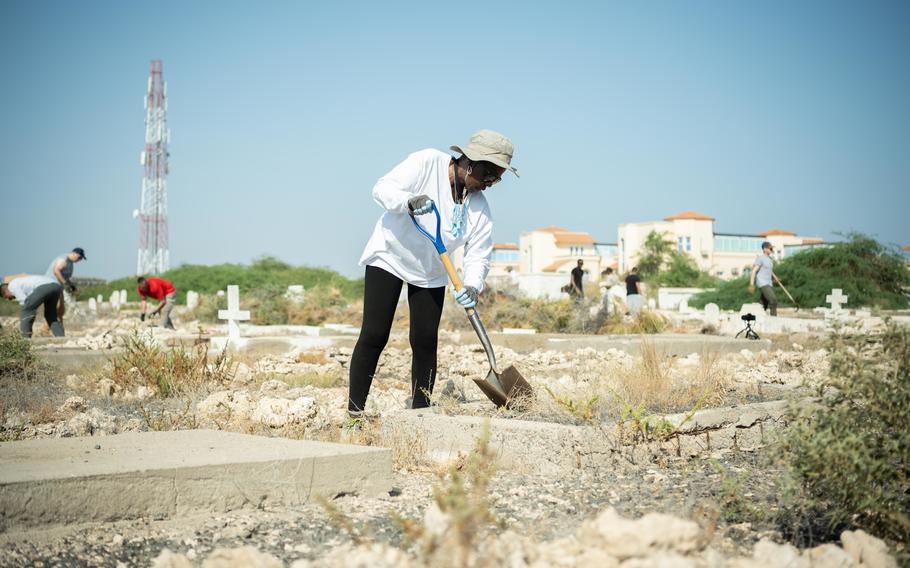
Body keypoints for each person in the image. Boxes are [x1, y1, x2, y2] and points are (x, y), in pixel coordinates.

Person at [348, 129, 518, 420]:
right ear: (470, 161)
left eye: (497, 179)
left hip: (430, 269)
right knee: (375, 334)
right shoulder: (427, 162)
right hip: (390, 254)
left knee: (425, 340)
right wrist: (408, 201)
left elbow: (479, 253)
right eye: (489, 175)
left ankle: (421, 416)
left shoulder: (478, 207)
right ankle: (354, 415)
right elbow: (382, 188)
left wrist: (474, 286)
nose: (490, 184)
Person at [1, 274, 65, 337]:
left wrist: (23, 317)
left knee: (26, 309)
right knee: (50, 316)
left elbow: (24, 302)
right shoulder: (22, 283)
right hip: (56, 286)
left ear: (5, 292)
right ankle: (61, 338)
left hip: (45, 286)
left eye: (7, 297)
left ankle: (25, 340)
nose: (9, 299)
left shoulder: (12, 286)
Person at [45, 247, 86, 317]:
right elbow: (56, 271)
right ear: (74, 253)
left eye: (81, 259)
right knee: (57, 307)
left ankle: (53, 326)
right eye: (79, 257)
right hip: (51, 285)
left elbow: (66, 278)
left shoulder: (70, 263)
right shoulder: (64, 259)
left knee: (60, 309)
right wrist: (65, 284)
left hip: (58, 287)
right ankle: (47, 326)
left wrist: (73, 287)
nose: (80, 260)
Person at [749, 241, 779, 316]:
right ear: (765, 249)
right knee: (773, 300)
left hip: (769, 282)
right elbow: (754, 271)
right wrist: (751, 285)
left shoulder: (769, 259)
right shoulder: (760, 258)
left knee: (763, 305)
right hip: (762, 283)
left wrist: (775, 278)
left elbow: (770, 271)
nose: (772, 250)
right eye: (770, 248)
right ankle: (774, 320)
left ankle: (756, 318)